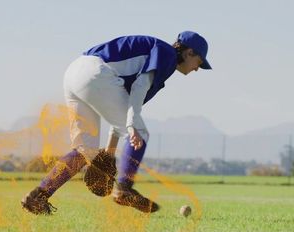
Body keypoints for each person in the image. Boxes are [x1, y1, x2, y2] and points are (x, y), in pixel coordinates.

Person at [21, 31, 212, 215]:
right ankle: (124, 189)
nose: (197, 68)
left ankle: (39, 196)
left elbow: (125, 104)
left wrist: (110, 151)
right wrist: (131, 127)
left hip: (75, 73)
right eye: (199, 62)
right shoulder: (167, 54)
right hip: (96, 73)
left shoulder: (158, 53)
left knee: (84, 150)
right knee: (140, 133)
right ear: (189, 52)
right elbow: (138, 89)